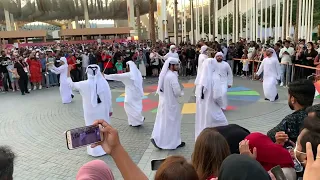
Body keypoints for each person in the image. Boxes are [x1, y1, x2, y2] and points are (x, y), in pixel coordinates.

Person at [67, 64, 112, 157]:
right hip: (102, 110)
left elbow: (71, 85)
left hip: (89, 111)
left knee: (91, 128)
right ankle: (104, 148)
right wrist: (110, 109)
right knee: (102, 128)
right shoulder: (104, 83)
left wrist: (68, 72)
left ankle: (94, 151)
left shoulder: (83, 84)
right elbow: (109, 97)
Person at [151, 57, 185, 150]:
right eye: (176, 65)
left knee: (163, 122)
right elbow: (177, 92)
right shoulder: (172, 76)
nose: (178, 67)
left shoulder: (165, 75)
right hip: (171, 103)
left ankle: (159, 139)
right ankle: (171, 143)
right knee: (172, 123)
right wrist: (182, 92)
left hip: (164, 102)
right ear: (171, 66)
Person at [195, 56, 228, 140]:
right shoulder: (215, 77)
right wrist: (221, 104)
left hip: (202, 108)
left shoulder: (201, 78)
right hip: (213, 107)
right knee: (223, 124)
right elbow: (217, 96)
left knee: (204, 125)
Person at [104, 61, 144, 127]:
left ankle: (136, 121)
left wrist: (105, 76)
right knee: (136, 107)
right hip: (137, 94)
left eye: (127, 66)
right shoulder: (137, 74)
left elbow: (116, 76)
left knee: (129, 107)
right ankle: (135, 121)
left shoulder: (129, 75)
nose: (126, 67)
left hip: (130, 94)